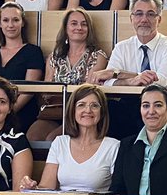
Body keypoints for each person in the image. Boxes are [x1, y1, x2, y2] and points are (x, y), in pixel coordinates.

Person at [28, 8, 108, 142]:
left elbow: (89, 90)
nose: (79, 28)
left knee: (53, 139)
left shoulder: (98, 56)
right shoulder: (54, 57)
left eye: (84, 24)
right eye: (74, 23)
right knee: (32, 137)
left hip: (80, 112)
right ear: (65, 28)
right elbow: (46, 90)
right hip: (54, 111)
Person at [108, 84, 167, 195]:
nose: (151, 111)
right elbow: (117, 189)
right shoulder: (126, 145)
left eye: (158, 105)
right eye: (146, 106)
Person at [91, 0, 167, 88]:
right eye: (139, 14)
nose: (144, 20)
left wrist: (119, 74)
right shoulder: (121, 48)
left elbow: (161, 82)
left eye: (150, 14)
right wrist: (130, 82)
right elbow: (108, 83)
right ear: (131, 19)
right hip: (127, 98)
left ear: (159, 20)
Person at [0, 2, 45, 128]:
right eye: (5, 20)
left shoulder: (33, 52)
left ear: (23, 23)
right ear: (0, 24)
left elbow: (29, 91)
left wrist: (6, 112)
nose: (10, 25)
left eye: (15, 20)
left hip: (21, 115)